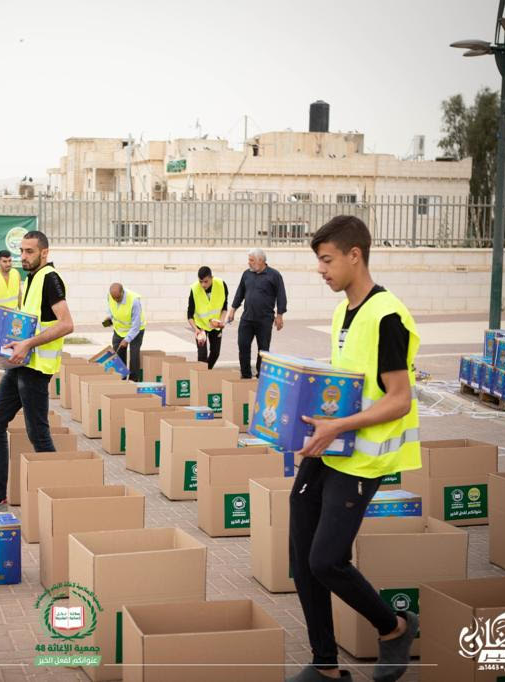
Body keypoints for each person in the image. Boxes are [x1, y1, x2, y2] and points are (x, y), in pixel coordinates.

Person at [288, 216, 421, 682]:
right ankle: (325, 667)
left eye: (326, 260)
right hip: (331, 448)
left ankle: (395, 627)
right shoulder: (344, 310)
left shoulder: (387, 314)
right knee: (302, 561)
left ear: (354, 255)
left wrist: (338, 425)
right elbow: (349, 381)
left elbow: (399, 398)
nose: (320, 270)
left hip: (363, 457)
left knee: (326, 560)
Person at [0, 230, 73, 513]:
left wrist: (29, 343)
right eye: (21, 251)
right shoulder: (31, 279)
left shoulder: (50, 279)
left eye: (29, 252)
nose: (23, 257)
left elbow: (66, 324)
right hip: (21, 364)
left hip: (36, 369)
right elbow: (19, 324)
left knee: (38, 434)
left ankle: (63, 501)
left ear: (44, 253)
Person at [227, 248, 288, 379]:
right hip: (247, 319)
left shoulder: (274, 275)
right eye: (249, 260)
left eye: (251, 260)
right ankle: (246, 375)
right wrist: (233, 310)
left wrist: (279, 315)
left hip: (264, 320)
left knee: (263, 350)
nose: (249, 263)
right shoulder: (246, 274)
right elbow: (240, 293)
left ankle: (261, 376)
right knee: (243, 346)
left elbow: (281, 296)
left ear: (261, 261)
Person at [186, 266, 228, 369]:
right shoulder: (194, 289)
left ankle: (206, 373)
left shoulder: (221, 285)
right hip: (201, 327)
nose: (203, 284)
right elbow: (190, 315)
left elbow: (224, 307)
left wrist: (221, 321)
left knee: (215, 353)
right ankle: (202, 376)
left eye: (206, 281)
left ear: (211, 278)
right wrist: (196, 330)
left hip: (215, 325)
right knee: (202, 356)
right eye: (201, 281)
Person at [103, 282, 145, 381]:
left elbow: (136, 325)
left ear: (122, 292)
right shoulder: (110, 296)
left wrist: (127, 339)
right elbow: (111, 308)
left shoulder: (134, 301)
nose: (116, 300)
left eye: (118, 298)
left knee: (134, 357)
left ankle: (133, 381)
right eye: (114, 298)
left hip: (136, 331)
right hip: (119, 330)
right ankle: (120, 379)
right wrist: (109, 317)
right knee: (118, 356)